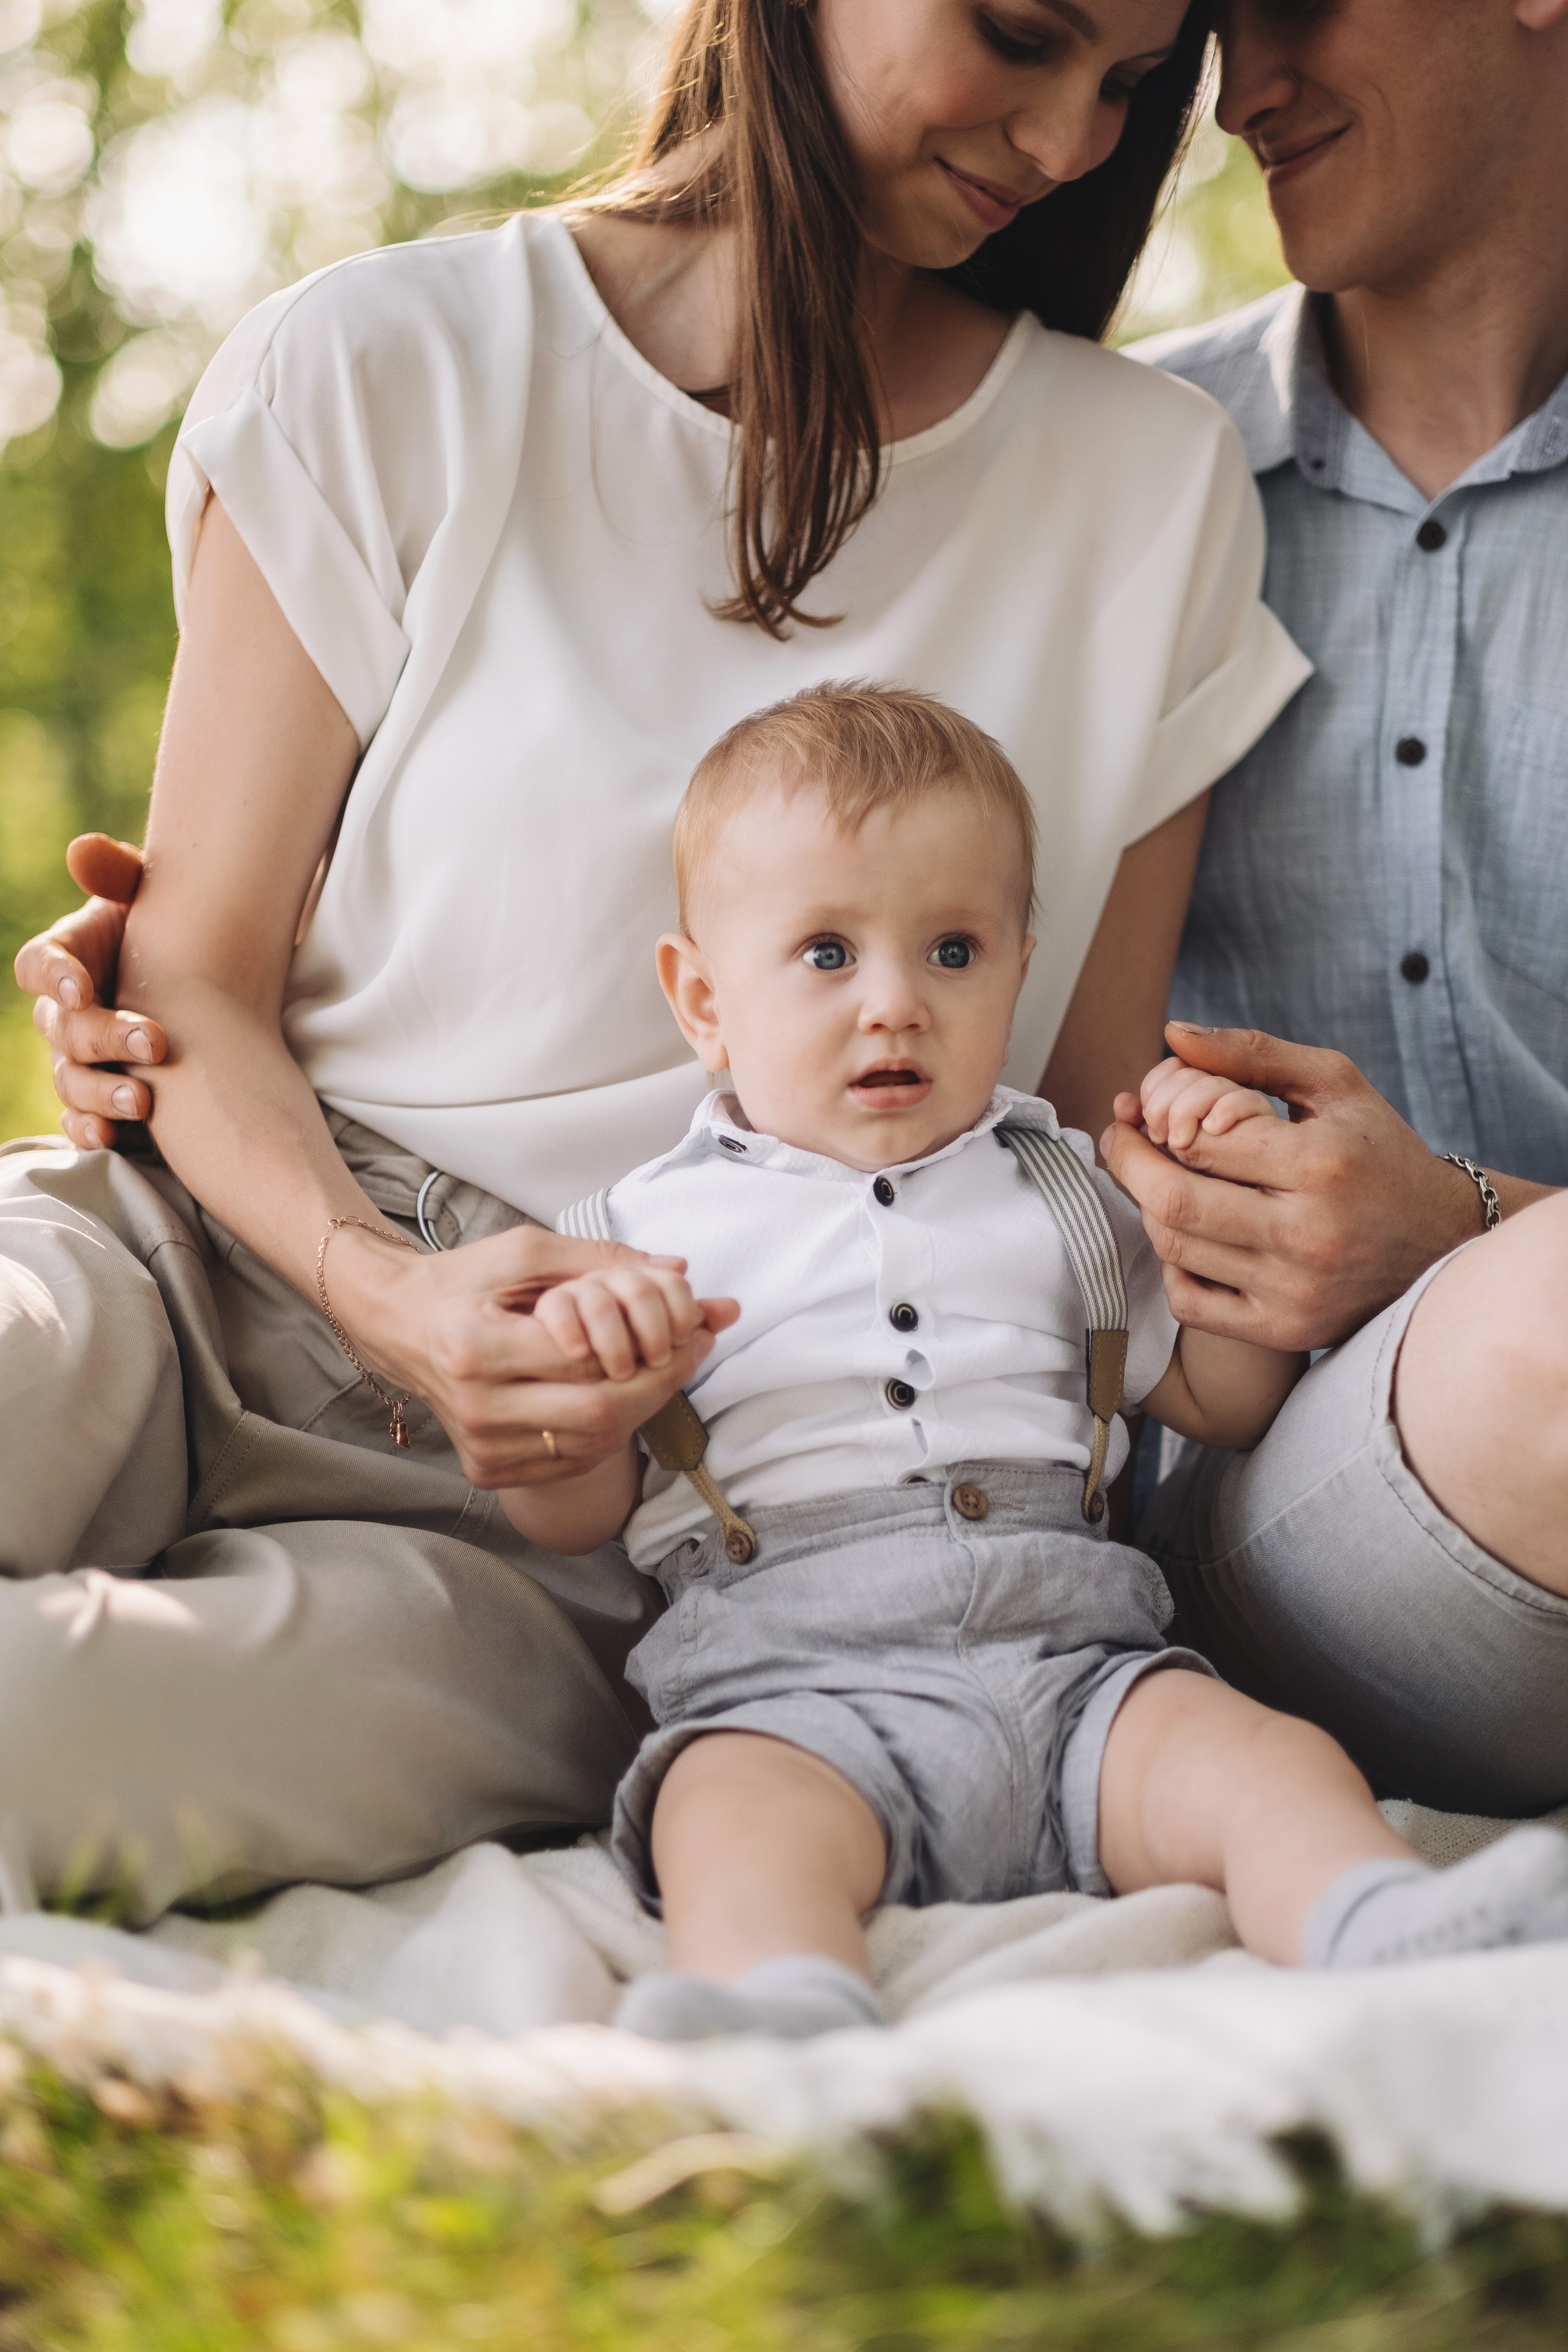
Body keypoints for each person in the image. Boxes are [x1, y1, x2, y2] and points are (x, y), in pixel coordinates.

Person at [0, 0, 1310, 1926]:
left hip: (594, 1510)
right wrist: (389, 1296)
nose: (1066, 142)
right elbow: (188, 982)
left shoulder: (1150, 488)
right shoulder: (386, 364)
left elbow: (1085, 1138)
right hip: (196, 1267)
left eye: (1128, 86)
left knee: (51, 1731)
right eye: (1021, 36)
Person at [496, 683, 1568, 2043]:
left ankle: (1366, 1915)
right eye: (825, 955)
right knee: (728, 1815)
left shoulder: (1066, 1194)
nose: (893, 1004)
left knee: (1264, 1762)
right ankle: (778, 1995)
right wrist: (578, 1412)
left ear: (1015, 965)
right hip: (795, 1695)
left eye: (952, 952)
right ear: (703, 998)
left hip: (1080, 1675)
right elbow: (571, 1518)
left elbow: (1224, 1403)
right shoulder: (630, 1239)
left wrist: (1208, 1194)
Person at [1088, 0, 1568, 1822]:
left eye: (1292, 4)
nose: (1235, 94)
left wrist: (1453, 1221)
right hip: (1229, 1476)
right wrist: (219, 973)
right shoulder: (1119, 473)